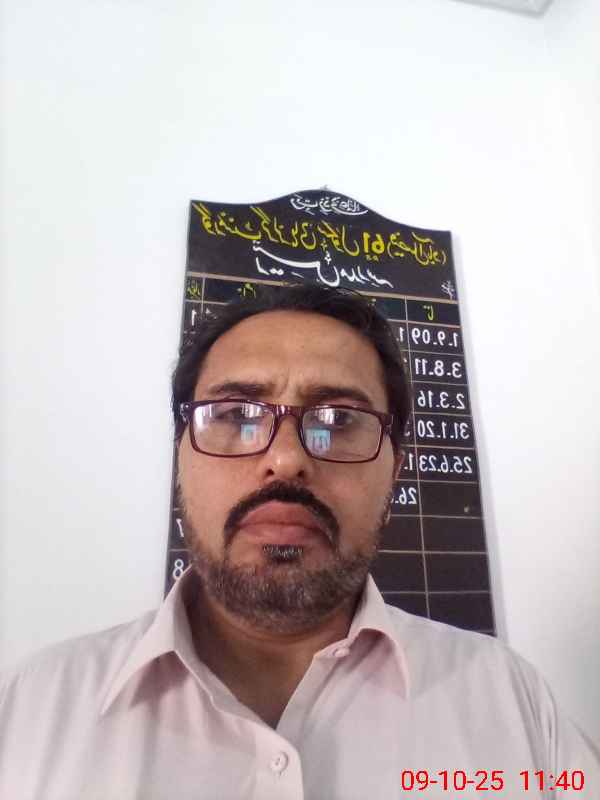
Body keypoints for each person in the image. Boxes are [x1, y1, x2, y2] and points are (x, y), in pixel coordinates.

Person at [0, 283, 598, 799]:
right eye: (236, 415)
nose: (286, 460)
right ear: (181, 455)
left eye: (338, 420)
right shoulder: (31, 709)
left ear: (394, 470)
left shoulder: (514, 704)